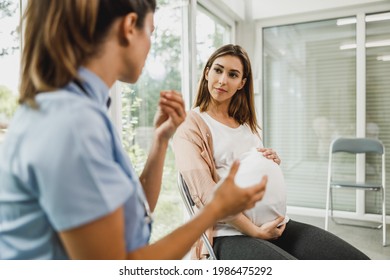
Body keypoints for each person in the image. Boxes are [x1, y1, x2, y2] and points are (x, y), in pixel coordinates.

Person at [0, 1, 267, 260]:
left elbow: (137, 212)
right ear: (129, 26)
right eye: (151, 32)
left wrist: (160, 141)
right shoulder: (72, 124)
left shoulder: (83, 112)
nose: (150, 45)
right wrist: (215, 209)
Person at [172, 44, 370, 260]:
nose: (222, 80)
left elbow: (248, 168)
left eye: (233, 74)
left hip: (276, 225)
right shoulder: (190, 124)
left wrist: (268, 161)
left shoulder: (245, 123)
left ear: (242, 83)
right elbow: (207, 195)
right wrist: (255, 231)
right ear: (207, 72)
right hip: (227, 233)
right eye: (218, 70)